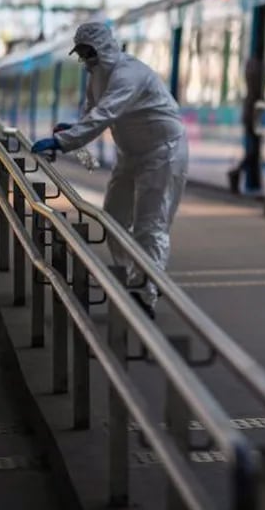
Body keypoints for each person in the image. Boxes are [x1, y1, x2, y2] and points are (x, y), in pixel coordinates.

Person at [30, 22, 188, 319]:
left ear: (102, 48)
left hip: (164, 150)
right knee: (113, 218)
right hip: (131, 154)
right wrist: (72, 130)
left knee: (150, 224)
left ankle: (144, 293)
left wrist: (62, 142)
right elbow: (91, 113)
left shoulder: (129, 73)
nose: (85, 60)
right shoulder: (97, 76)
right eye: (81, 54)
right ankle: (133, 277)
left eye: (88, 52)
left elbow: (105, 114)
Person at [227, 55, 265, 194]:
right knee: (253, 151)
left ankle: (239, 174)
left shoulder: (250, 66)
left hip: (249, 114)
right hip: (252, 116)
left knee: (253, 150)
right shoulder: (257, 72)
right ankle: (236, 173)